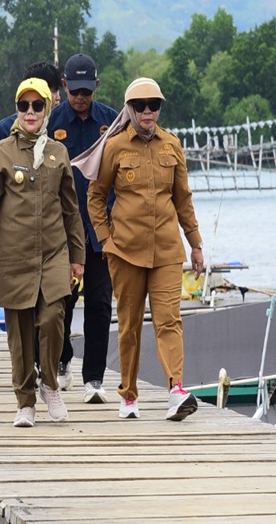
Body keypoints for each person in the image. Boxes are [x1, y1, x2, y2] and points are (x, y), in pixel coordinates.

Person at [83, 77, 203, 422]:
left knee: (169, 321)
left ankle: (176, 389)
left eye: (154, 105)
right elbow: (95, 196)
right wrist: (105, 240)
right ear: (129, 109)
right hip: (125, 250)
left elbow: (183, 198)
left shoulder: (172, 146)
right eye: (140, 105)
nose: (147, 111)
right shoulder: (115, 147)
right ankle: (128, 394)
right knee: (130, 325)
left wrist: (195, 244)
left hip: (167, 249)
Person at [0, 78, 85, 428]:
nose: (31, 112)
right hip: (13, 254)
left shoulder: (58, 153)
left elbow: (71, 209)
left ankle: (50, 382)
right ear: (17, 110)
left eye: (38, 106)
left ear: (47, 110)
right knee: (19, 333)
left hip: (53, 252)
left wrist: (77, 256)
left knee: (53, 319)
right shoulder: (2, 152)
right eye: (24, 106)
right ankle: (25, 402)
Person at [48, 54, 120, 401]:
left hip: (101, 231)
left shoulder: (111, 122)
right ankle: (62, 360)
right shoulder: (52, 123)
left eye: (86, 91)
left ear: (97, 86)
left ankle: (94, 377)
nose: (80, 97)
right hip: (62, 231)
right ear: (64, 86)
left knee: (100, 303)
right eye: (74, 91)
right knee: (60, 302)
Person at [0, 61, 63, 143]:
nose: (58, 98)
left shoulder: (62, 124)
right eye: (53, 91)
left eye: (58, 91)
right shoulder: (5, 129)